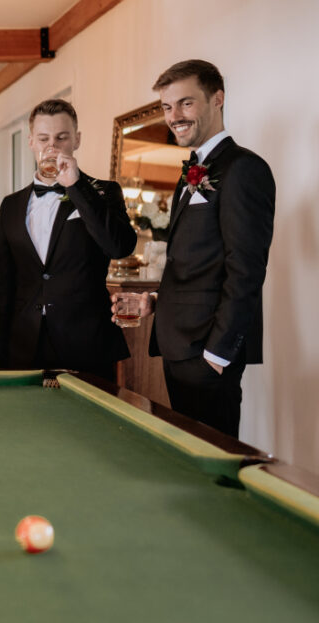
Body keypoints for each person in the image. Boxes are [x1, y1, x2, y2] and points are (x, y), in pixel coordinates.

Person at [114, 60, 275, 437]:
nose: (175, 116)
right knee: (189, 457)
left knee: (212, 459)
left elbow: (246, 269)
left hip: (207, 352)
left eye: (186, 103)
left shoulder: (244, 169)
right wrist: (154, 299)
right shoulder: (191, 170)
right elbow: (198, 263)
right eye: (168, 107)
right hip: (178, 345)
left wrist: (218, 354)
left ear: (217, 99)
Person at [0, 99, 136, 381]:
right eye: (43, 138)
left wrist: (76, 186)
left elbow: (120, 246)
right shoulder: (11, 205)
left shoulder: (104, 192)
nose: (51, 147)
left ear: (76, 140)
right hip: (23, 346)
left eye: (61, 137)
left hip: (86, 344)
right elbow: (1, 284)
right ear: (31, 141)